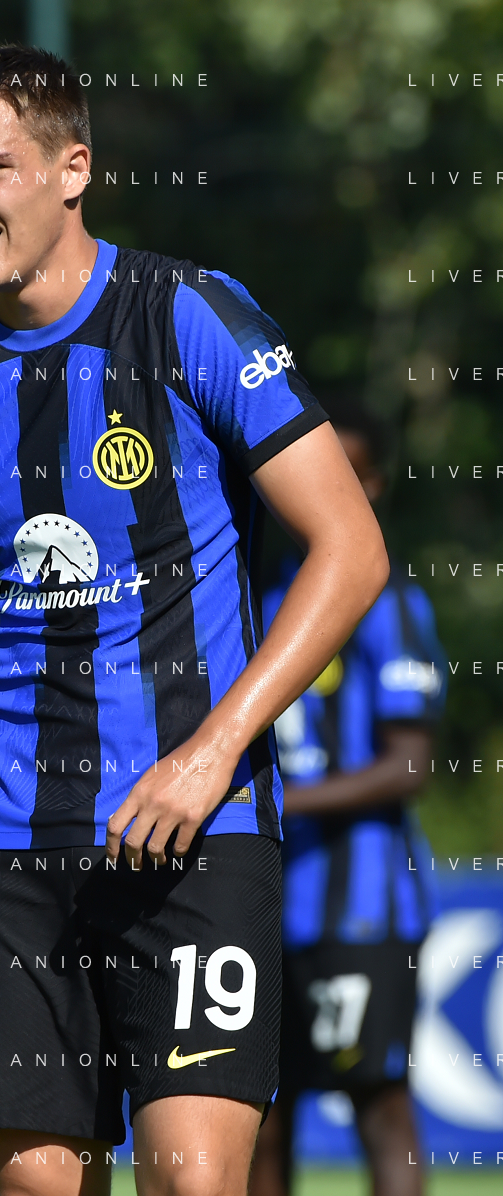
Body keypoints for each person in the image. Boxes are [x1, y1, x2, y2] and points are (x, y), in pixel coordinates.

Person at [0, 45, 388, 1196]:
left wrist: (210, 752)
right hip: (6, 852)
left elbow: (350, 552)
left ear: (72, 171)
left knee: (191, 1180)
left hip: (196, 841)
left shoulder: (189, 315)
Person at [251, 404, 446, 1196]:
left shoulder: (389, 602)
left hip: (363, 911)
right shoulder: (256, 595)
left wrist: (274, 800)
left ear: (375, 483)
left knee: (377, 1100)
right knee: (259, 1111)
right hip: (257, 904)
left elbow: (409, 765)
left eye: (349, 470)